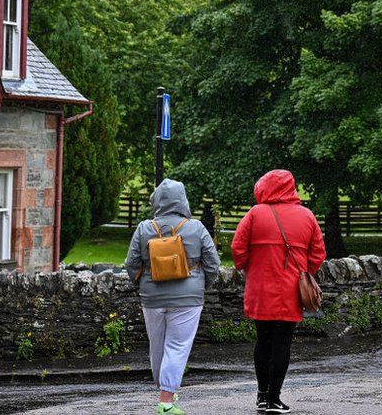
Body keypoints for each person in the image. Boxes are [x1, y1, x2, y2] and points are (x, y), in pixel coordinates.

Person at [232, 170, 325, 414]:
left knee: (263, 340)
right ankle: (274, 399)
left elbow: (238, 250)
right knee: (282, 343)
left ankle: (262, 395)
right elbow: (318, 254)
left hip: (260, 287)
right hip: (290, 290)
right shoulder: (306, 216)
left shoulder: (255, 213)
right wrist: (304, 271)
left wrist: (249, 266)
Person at [125, 179, 221, 415]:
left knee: (157, 346)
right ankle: (166, 401)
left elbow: (131, 264)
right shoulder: (196, 228)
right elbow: (213, 264)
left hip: (152, 296)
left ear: (157, 201)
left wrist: (142, 282)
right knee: (177, 346)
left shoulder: (144, 228)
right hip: (188, 299)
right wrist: (201, 285)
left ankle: (165, 390)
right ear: (183, 199)